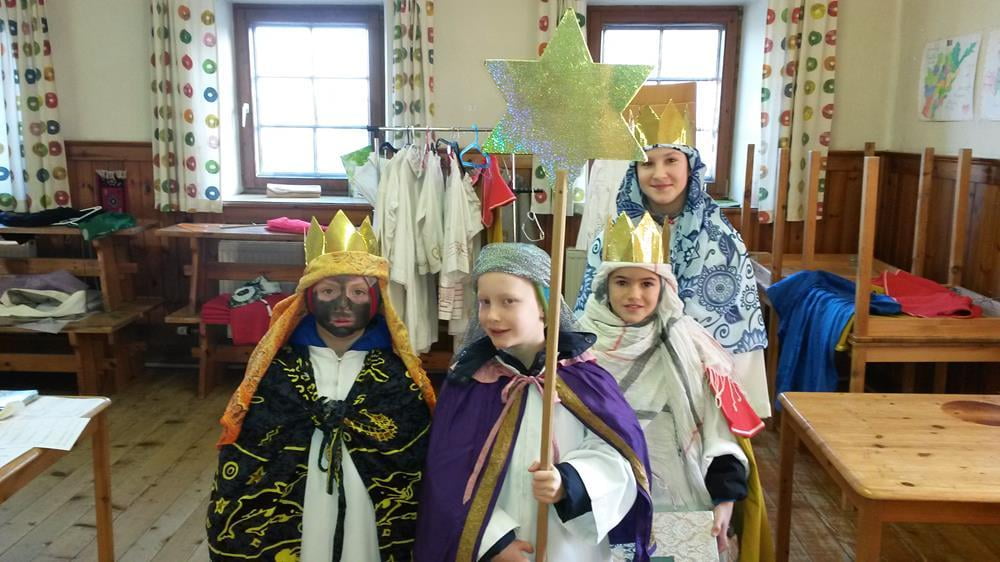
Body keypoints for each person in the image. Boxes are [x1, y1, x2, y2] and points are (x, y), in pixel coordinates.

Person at [206, 211, 436, 561]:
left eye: (358, 291)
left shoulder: (397, 376)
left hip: (370, 509)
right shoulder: (279, 370)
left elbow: (412, 457)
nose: (343, 303)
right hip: (295, 502)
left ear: (375, 300)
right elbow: (254, 450)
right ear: (310, 298)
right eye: (329, 291)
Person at [415, 243, 653, 562]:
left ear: (544, 304)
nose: (492, 315)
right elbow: (448, 474)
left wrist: (568, 482)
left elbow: (617, 458)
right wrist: (494, 542)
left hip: (568, 547)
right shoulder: (469, 384)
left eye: (508, 301)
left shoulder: (586, 380)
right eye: (484, 302)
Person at [578, 212, 772, 561]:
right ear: (605, 285)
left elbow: (717, 431)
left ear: (663, 286)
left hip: (681, 499)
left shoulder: (691, 345)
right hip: (599, 500)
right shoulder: (578, 347)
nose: (634, 294)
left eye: (646, 283)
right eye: (622, 282)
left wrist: (725, 499)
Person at [574, 143, 771, 418]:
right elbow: (592, 311)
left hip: (699, 380)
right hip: (620, 376)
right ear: (634, 169)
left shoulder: (721, 242)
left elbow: (727, 330)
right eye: (647, 163)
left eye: (670, 161)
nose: (659, 174)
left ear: (690, 167)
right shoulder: (611, 237)